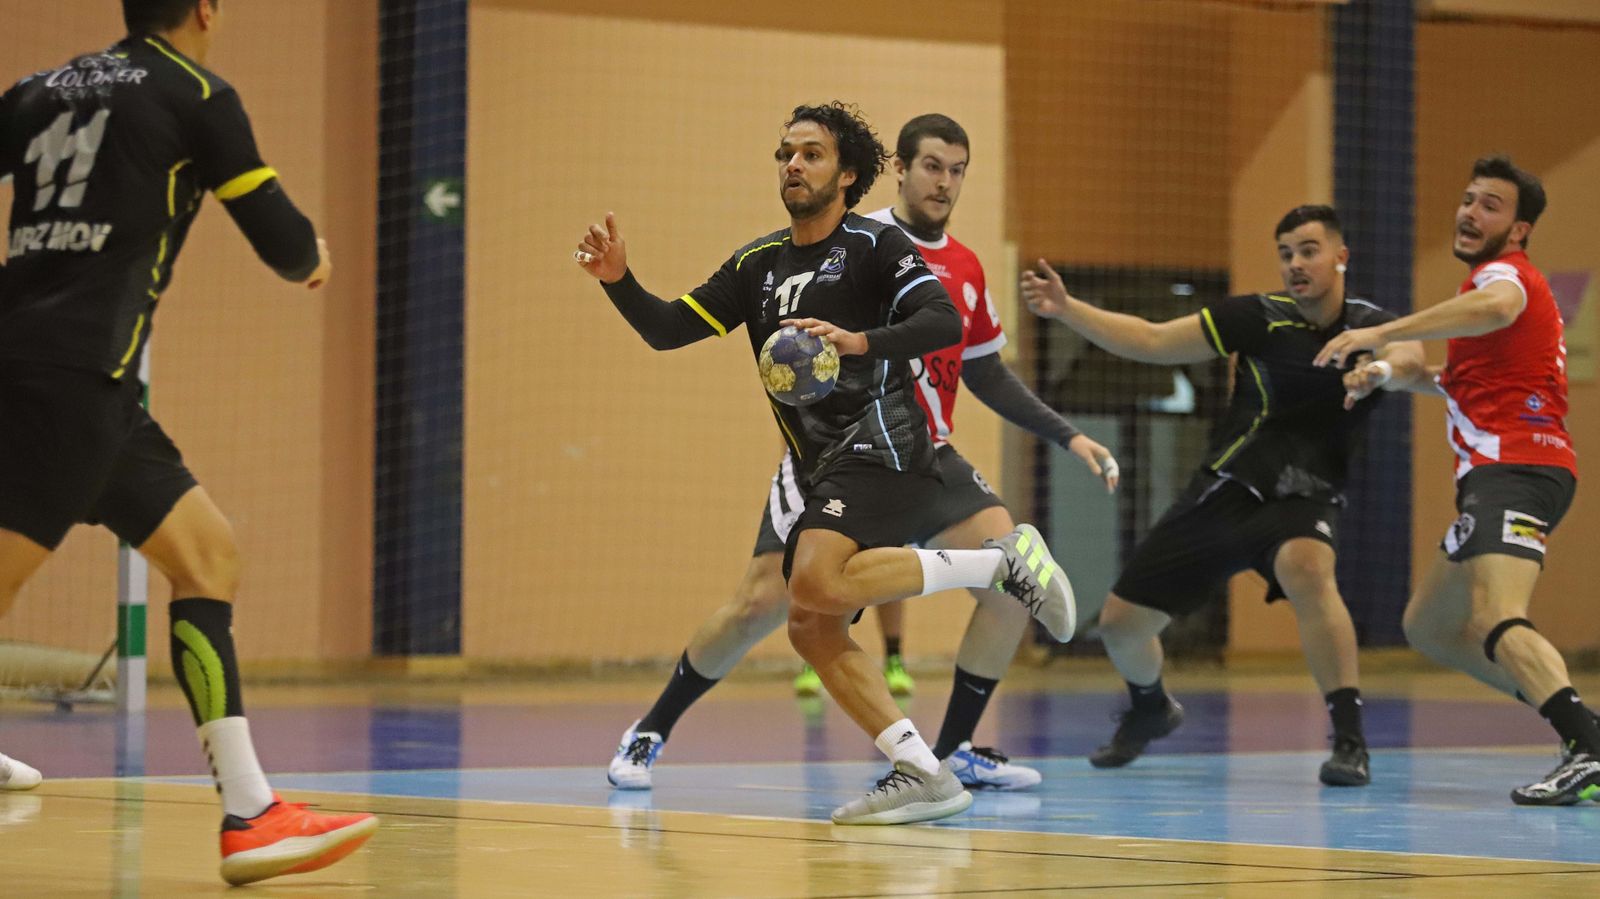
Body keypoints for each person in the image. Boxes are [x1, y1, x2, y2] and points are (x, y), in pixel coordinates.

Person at [576, 103, 1079, 825]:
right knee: (810, 621)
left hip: (886, 436)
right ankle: (918, 767)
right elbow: (665, 329)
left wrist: (854, 341)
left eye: (810, 154)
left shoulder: (875, 246)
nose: (792, 164)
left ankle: (999, 564)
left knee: (810, 583)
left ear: (847, 174)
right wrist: (620, 280)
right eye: (785, 152)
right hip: (820, 463)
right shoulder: (755, 265)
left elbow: (940, 322)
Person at [0, 0, 377, 883]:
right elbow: (284, 244)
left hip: (92, 390)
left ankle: (252, 814)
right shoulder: (197, 96)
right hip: (69, 379)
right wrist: (313, 257)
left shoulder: (38, 88)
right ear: (208, 8)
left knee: (208, 556)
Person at [1023, 205, 1425, 786]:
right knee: (1119, 626)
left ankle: (1349, 742)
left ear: (1341, 256)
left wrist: (1380, 369)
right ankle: (1150, 707)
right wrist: (1067, 309)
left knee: (1309, 569)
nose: (1295, 263)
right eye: (1286, 252)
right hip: (1226, 488)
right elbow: (1154, 340)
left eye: (1308, 250)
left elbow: (1410, 356)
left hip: (1303, 498)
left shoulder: (1371, 327)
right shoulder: (1257, 316)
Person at [1319, 155, 1599, 806]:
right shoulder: (1491, 317)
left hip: (1517, 471)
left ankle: (1585, 744)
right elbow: (1450, 381)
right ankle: (1579, 720)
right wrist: (1385, 372)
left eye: (1490, 206)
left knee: (1498, 614)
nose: (1471, 212)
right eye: (1468, 199)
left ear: (1520, 229)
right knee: (1430, 625)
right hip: (1507, 473)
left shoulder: (1506, 280)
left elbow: (1492, 306)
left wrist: (1381, 331)